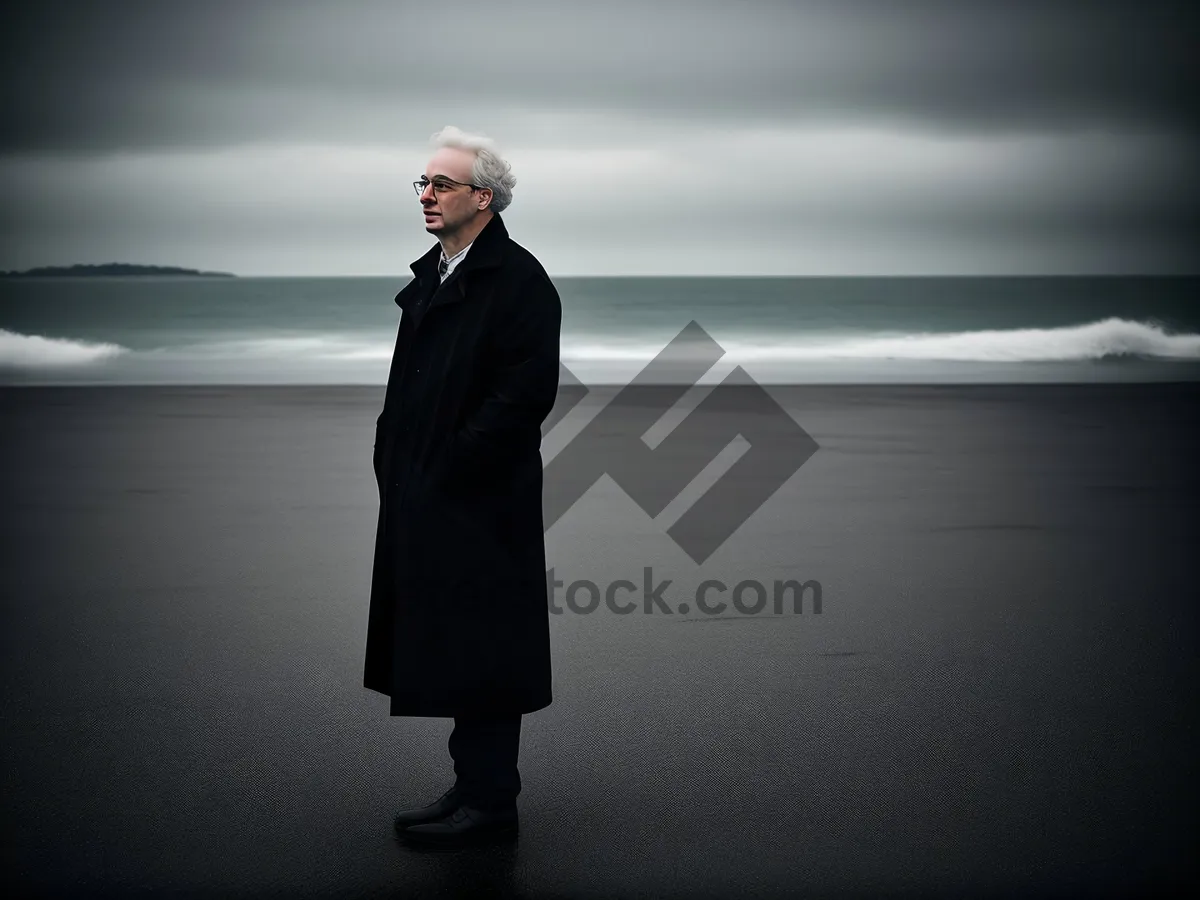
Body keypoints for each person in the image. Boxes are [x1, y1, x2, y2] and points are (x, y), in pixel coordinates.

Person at [363, 126, 562, 850]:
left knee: (486, 645)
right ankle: (471, 788)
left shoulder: (518, 280)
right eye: (421, 182)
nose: (426, 194)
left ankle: (491, 804)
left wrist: (452, 466)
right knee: (451, 641)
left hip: (483, 500)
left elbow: (523, 395)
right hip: (426, 490)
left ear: (484, 196)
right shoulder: (436, 273)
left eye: (440, 184)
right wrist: (391, 452)